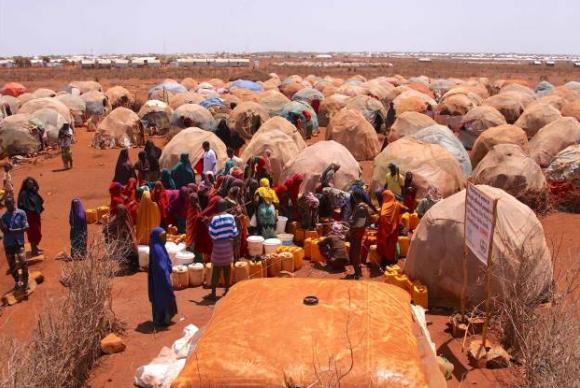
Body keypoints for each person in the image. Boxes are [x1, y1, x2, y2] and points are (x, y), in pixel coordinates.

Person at [206, 199, 239, 300]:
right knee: (227, 268)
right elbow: (235, 233)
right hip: (228, 246)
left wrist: (207, 223)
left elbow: (212, 234)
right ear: (226, 207)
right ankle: (227, 290)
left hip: (218, 247)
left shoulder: (215, 219)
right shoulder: (231, 218)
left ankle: (213, 293)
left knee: (216, 269)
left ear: (217, 208)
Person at [148, 227, 177, 327]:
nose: (164, 238)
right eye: (162, 236)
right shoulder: (157, 249)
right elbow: (162, 266)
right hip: (161, 278)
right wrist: (166, 279)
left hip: (158, 278)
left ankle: (159, 318)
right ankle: (164, 319)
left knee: (159, 297)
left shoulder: (156, 245)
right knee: (164, 297)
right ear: (157, 237)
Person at [1, 196, 29, 290]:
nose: (9, 205)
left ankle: (25, 282)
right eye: (7, 204)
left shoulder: (21, 213)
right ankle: (17, 281)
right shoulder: (3, 217)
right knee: (12, 264)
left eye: (10, 203)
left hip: (19, 242)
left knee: (23, 262)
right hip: (8, 244)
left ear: (14, 202)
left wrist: (14, 230)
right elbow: (4, 230)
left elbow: (26, 227)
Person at [103, 204, 138, 273]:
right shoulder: (118, 218)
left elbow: (129, 230)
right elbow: (110, 225)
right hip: (122, 239)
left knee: (130, 251)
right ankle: (128, 266)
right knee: (125, 251)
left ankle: (132, 267)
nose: (119, 213)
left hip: (127, 239)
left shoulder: (126, 219)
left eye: (120, 211)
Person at [377, 190, 406, 267]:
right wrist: (398, 212)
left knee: (384, 243)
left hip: (384, 229)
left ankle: (384, 262)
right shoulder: (396, 204)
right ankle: (390, 261)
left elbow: (381, 216)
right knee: (391, 244)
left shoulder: (384, 206)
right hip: (393, 228)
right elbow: (406, 209)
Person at [17, 177, 44, 256]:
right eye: (29, 183)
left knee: (38, 232)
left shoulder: (33, 192)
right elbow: (21, 205)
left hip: (36, 216)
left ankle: (35, 247)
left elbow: (39, 201)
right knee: (32, 233)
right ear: (26, 184)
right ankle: (33, 250)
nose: (30, 184)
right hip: (29, 217)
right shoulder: (23, 194)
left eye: (32, 183)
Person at [348, 191, 370, 280]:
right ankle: (357, 270)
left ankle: (357, 273)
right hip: (358, 231)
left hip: (357, 232)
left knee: (354, 252)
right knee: (356, 251)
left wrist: (351, 225)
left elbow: (359, 223)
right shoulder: (363, 206)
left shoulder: (361, 208)